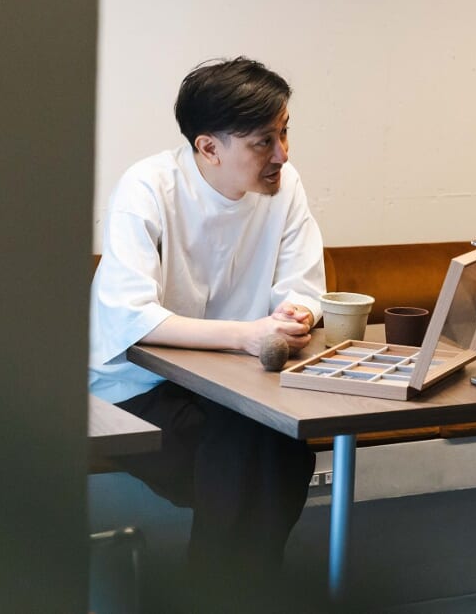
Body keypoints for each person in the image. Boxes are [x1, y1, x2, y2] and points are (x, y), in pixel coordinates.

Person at [89, 57, 326, 604]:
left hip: (232, 384)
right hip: (133, 388)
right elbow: (130, 317)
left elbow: (303, 285)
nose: (283, 155)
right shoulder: (148, 188)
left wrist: (296, 315)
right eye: (264, 142)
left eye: (285, 133)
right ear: (209, 147)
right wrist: (246, 335)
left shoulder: (285, 186)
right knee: (258, 452)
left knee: (276, 447)